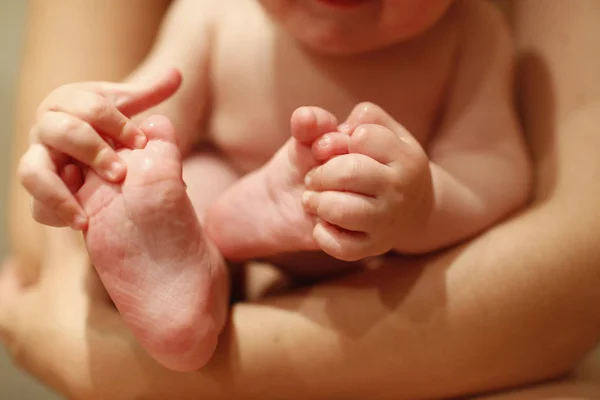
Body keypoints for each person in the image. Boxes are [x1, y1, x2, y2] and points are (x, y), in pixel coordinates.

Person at [1, 0, 600, 399]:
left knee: (416, 240)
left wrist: (422, 206)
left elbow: (494, 166)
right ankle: (187, 289)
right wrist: (89, 147)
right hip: (220, 201)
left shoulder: (471, 34)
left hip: (375, 263)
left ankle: (237, 236)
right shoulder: (212, 12)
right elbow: (146, 122)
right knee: (167, 177)